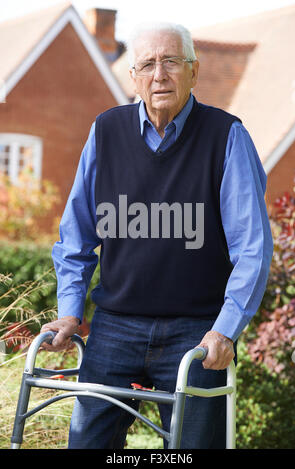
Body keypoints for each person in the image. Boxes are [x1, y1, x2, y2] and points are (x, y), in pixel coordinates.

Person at [41, 22, 273, 449]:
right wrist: (71, 310)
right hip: (115, 326)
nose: (159, 75)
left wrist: (225, 331)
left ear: (194, 72)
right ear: (133, 77)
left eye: (171, 62)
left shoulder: (227, 137)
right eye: (147, 64)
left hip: (197, 331)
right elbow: (76, 236)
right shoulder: (105, 132)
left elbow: (252, 250)